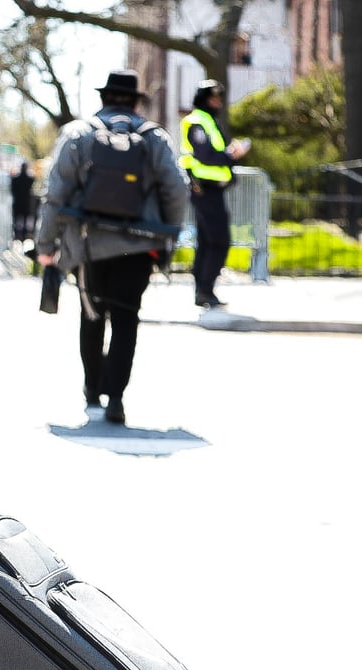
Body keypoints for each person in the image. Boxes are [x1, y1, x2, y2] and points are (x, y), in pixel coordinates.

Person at [35, 69, 189, 425]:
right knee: (126, 319)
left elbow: (55, 193)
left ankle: (92, 389)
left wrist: (46, 244)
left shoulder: (78, 134)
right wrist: (168, 233)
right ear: (136, 101)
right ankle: (116, 397)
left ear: (103, 98)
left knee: (92, 316)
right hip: (139, 247)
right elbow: (176, 189)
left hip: (89, 244)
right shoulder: (155, 138)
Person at [179, 79, 250, 308]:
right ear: (203, 99)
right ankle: (205, 289)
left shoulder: (208, 120)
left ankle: (203, 291)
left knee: (207, 242)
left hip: (211, 190)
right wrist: (232, 155)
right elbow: (205, 156)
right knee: (219, 241)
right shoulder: (197, 121)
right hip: (204, 189)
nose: (217, 103)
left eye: (219, 98)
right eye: (213, 98)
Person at [10, 161, 35, 245]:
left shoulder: (16, 179)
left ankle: (17, 235)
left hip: (18, 202)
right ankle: (23, 235)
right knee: (23, 219)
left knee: (17, 219)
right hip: (25, 202)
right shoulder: (29, 179)